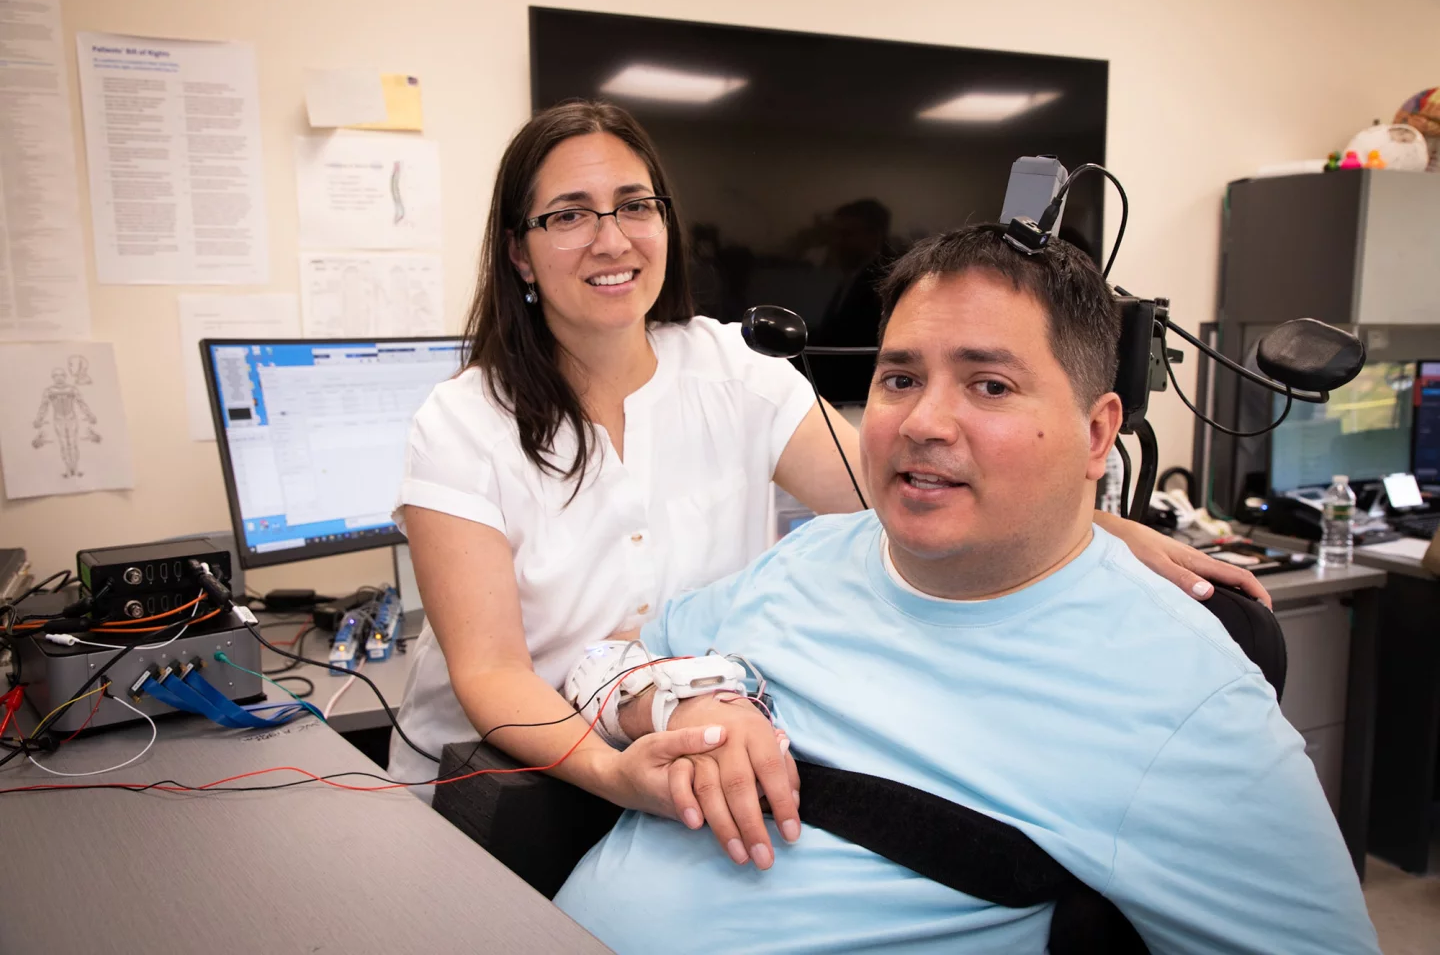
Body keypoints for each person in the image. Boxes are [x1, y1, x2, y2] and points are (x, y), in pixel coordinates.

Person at [389, 99, 1272, 855]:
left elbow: (895, 485)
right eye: (569, 214)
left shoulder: (734, 368)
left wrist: (1103, 526)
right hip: (500, 791)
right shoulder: (464, 422)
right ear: (518, 251)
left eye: (634, 205)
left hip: (688, 754)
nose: (611, 238)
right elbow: (493, 674)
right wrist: (614, 775)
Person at [554, 225, 1378, 954]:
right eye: (900, 379)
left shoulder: (1186, 703)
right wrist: (686, 705)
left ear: (1098, 436)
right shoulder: (808, 558)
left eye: (989, 385)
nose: (922, 423)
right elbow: (602, 663)